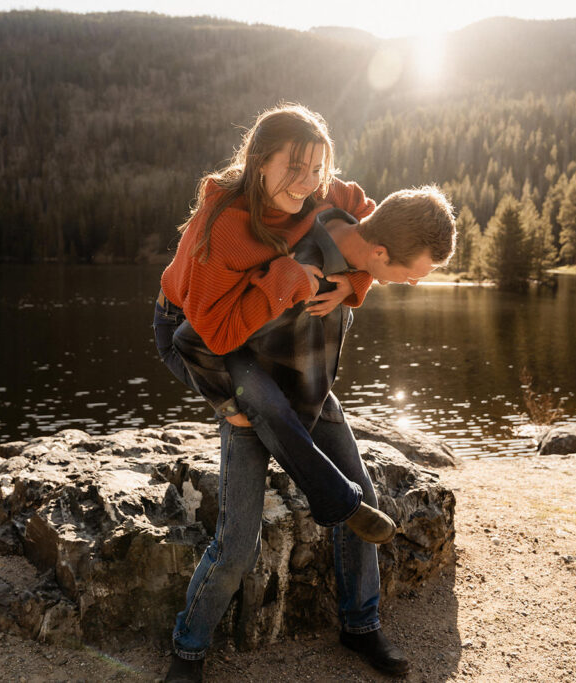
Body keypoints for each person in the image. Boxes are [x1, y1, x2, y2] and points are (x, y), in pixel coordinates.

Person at [154, 105, 457, 682]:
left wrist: (356, 281)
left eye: (316, 167)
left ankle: (359, 624)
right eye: (294, 166)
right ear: (258, 161)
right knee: (238, 536)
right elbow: (205, 337)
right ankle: (188, 650)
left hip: (296, 373)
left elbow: (377, 223)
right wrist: (230, 403)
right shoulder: (228, 227)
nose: (308, 180)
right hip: (207, 335)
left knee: (361, 493)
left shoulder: (326, 200)